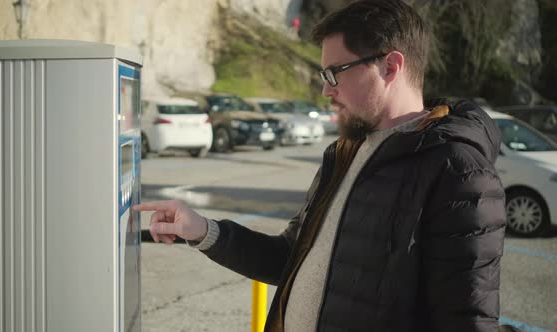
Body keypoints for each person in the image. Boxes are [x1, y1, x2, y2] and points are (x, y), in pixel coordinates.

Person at [134, 1, 506, 331]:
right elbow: (288, 260)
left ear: (390, 66)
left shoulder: (458, 169)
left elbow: (466, 321)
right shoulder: (342, 154)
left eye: (335, 72)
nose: (326, 90)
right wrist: (201, 230)